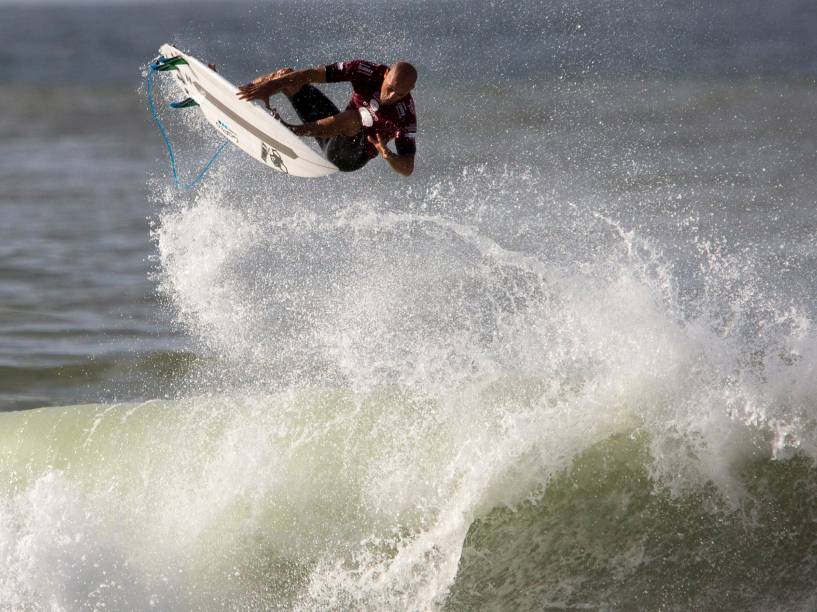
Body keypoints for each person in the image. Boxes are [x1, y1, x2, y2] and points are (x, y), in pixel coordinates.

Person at [236, 60, 417, 176]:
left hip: (349, 156)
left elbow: (408, 167)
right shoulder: (366, 71)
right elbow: (312, 75)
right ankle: (242, 91)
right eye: (390, 88)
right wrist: (270, 85)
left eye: (399, 94)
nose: (391, 96)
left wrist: (389, 156)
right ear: (386, 74)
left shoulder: (405, 116)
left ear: (410, 90)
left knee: (356, 118)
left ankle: (291, 130)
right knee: (286, 76)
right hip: (330, 129)